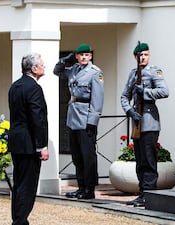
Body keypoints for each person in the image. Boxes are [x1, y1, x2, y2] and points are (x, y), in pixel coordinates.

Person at [120, 42, 169, 207]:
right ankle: (142, 193)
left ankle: (150, 194)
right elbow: (124, 96)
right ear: (135, 57)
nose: (143, 58)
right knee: (140, 160)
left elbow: (164, 91)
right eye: (140, 55)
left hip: (149, 122)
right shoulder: (133, 74)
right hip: (137, 122)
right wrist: (129, 111)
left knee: (149, 160)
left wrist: (145, 92)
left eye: (146, 55)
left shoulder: (154, 71)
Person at [53, 43, 104, 199]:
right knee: (76, 156)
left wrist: (92, 121)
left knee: (88, 156)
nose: (84, 57)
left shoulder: (95, 73)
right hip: (73, 117)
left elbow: (98, 98)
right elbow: (57, 72)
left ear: (90, 56)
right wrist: (63, 60)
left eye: (87, 55)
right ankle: (81, 186)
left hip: (86, 117)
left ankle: (89, 189)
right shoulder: (74, 69)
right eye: (81, 55)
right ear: (76, 56)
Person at [8, 53, 49, 225]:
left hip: (17, 141)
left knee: (19, 183)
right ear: (34, 68)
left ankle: (18, 219)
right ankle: (20, 221)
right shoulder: (34, 88)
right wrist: (42, 146)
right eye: (42, 65)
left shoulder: (15, 86)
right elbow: (37, 119)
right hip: (29, 143)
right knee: (27, 184)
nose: (44, 67)